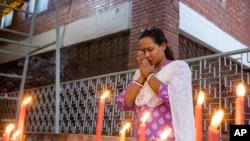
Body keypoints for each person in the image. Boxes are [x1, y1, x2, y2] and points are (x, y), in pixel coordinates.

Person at [116, 27, 195, 141]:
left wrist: (149, 75)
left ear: (163, 46)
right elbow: (124, 103)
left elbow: (172, 97)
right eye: (143, 51)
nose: (146, 55)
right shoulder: (139, 73)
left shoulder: (178, 68)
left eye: (150, 49)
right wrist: (142, 77)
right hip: (141, 137)